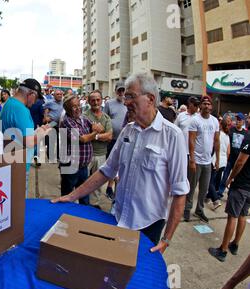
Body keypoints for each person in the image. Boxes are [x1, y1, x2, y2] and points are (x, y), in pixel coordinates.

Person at [52, 72, 189, 251]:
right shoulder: (128, 131)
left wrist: (166, 239)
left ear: (150, 99)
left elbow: (180, 192)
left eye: (131, 96)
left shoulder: (173, 136)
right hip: (117, 217)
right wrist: (72, 196)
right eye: (125, 97)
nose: (126, 102)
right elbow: (106, 171)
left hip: (148, 226)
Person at [0, 79, 51, 194]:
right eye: (36, 98)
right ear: (31, 94)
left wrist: (36, 131)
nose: (35, 101)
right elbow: (29, 142)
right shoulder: (21, 110)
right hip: (19, 165)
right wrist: (42, 133)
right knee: (20, 204)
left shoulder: (8, 103)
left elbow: (18, 135)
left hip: (9, 160)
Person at [208, 132, 249, 262]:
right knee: (242, 215)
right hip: (249, 188)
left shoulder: (248, 138)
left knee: (233, 217)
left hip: (241, 185)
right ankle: (235, 244)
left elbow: (240, 162)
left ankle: (223, 250)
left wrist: (231, 178)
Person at [59, 95, 103, 206]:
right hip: (70, 166)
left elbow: (96, 126)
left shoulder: (83, 118)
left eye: (78, 105)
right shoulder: (67, 122)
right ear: (67, 109)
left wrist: (94, 130)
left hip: (83, 166)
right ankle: (66, 217)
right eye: (74, 107)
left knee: (84, 195)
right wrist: (95, 133)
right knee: (68, 196)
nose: (78, 108)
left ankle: (82, 220)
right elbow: (83, 139)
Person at [184, 96, 220, 223]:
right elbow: (191, 140)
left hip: (207, 162)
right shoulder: (195, 120)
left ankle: (199, 209)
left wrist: (217, 159)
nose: (206, 106)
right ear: (201, 106)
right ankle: (187, 209)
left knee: (204, 189)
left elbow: (216, 141)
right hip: (196, 161)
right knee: (191, 187)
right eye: (204, 103)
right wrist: (192, 160)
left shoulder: (215, 121)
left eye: (208, 104)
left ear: (211, 106)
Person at [83, 90, 113, 209]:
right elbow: (83, 136)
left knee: (97, 182)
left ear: (101, 101)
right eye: (93, 100)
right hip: (87, 153)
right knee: (84, 180)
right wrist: (99, 133)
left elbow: (110, 136)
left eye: (98, 99)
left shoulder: (106, 118)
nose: (95, 102)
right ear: (89, 101)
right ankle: (83, 203)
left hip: (101, 154)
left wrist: (94, 135)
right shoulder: (84, 116)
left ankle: (94, 204)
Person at [104, 82, 127, 200]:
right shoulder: (109, 103)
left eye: (123, 91)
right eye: (119, 91)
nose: (121, 93)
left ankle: (114, 189)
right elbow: (104, 118)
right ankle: (109, 186)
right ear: (115, 91)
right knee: (111, 164)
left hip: (124, 140)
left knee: (121, 164)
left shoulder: (128, 103)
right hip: (111, 140)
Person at [218, 112, 247, 198]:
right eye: (237, 120)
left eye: (239, 120)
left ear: (243, 122)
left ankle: (231, 193)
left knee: (236, 177)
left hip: (238, 159)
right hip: (230, 158)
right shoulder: (231, 130)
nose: (237, 121)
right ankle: (220, 192)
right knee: (225, 176)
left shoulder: (245, 133)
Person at [206, 119, 230, 210]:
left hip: (215, 159)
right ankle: (208, 197)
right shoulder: (227, 136)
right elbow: (228, 152)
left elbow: (213, 146)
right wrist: (225, 161)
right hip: (223, 161)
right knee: (215, 181)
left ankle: (215, 200)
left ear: (220, 125)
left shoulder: (217, 134)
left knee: (209, 181)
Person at [175, 97, 200, 161]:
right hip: (181, 149)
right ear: (190, 104)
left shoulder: (198, 117)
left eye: (197, 105)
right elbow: (175, 131)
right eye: (195, 105)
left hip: (195, 152)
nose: (197, 107)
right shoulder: (181, 116)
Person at [43, 89, 64, 161]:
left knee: (59, 141)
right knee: (51, 140)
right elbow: (44, 108)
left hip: (61, 124)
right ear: (54, 95)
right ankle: (51, 157)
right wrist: (46, 117)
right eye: (57, 94)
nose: (59, 95)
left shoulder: (63, 102)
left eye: (60, 94)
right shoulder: (49, 102)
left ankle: (58, 156)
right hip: (52, 123)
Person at [29, 97, 45, 167]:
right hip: (36, 125)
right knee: (36, 143)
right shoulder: (40, 102)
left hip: (28, 124)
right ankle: (36, 157)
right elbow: (42, 113)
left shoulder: (25, 101)